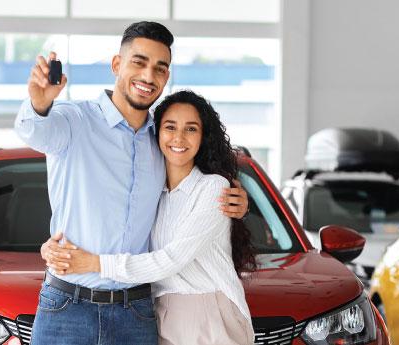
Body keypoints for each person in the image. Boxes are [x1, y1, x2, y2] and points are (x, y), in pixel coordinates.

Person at [14, 21, 249, 345]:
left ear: (166, 77)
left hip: (136, 313)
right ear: (116, 64)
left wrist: (239, 200)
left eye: (160, 68)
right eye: (139, 62)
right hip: (68, 307)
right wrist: (39, 104)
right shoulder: (75, 121)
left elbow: (188, 195)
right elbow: (34, 131)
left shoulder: (162, 139)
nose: (149, 76)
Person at [48, 90, 256, 345]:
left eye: (191, 129)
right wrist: (54, 244)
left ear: (203, 137)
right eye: (170, 127)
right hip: (156, 313)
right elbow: (112, 226)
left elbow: (171, 260)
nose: (179, 137)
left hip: (209, 313)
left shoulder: (213, 188)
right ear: (157, 133)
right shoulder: (152, 192)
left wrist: (93, 263)